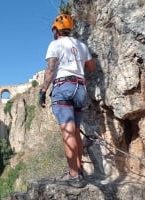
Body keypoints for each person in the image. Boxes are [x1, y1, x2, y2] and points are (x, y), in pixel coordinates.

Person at [39, 14, 96, 188]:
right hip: (80, 89)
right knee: (76, 131)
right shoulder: (82, 45)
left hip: (63, 87)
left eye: (53, 30)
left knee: (68, 131)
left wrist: (42, 90)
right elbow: (91, 67)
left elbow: (50, 70)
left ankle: (73, 175)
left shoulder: (55, 45)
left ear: (56, 29)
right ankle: (78, 171)